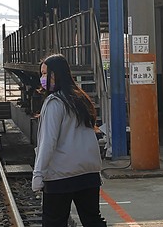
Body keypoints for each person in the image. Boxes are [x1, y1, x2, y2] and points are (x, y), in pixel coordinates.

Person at [32, 53, 107, 227]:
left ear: (57, 74)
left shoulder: (54, 103)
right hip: (88, 172)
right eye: (41, 74)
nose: (43, 79)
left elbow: (47, 143)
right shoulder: (81, 99)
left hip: (61, 175)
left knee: (54, 221)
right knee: (92, 220)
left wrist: (38, 174)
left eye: (46, 74)